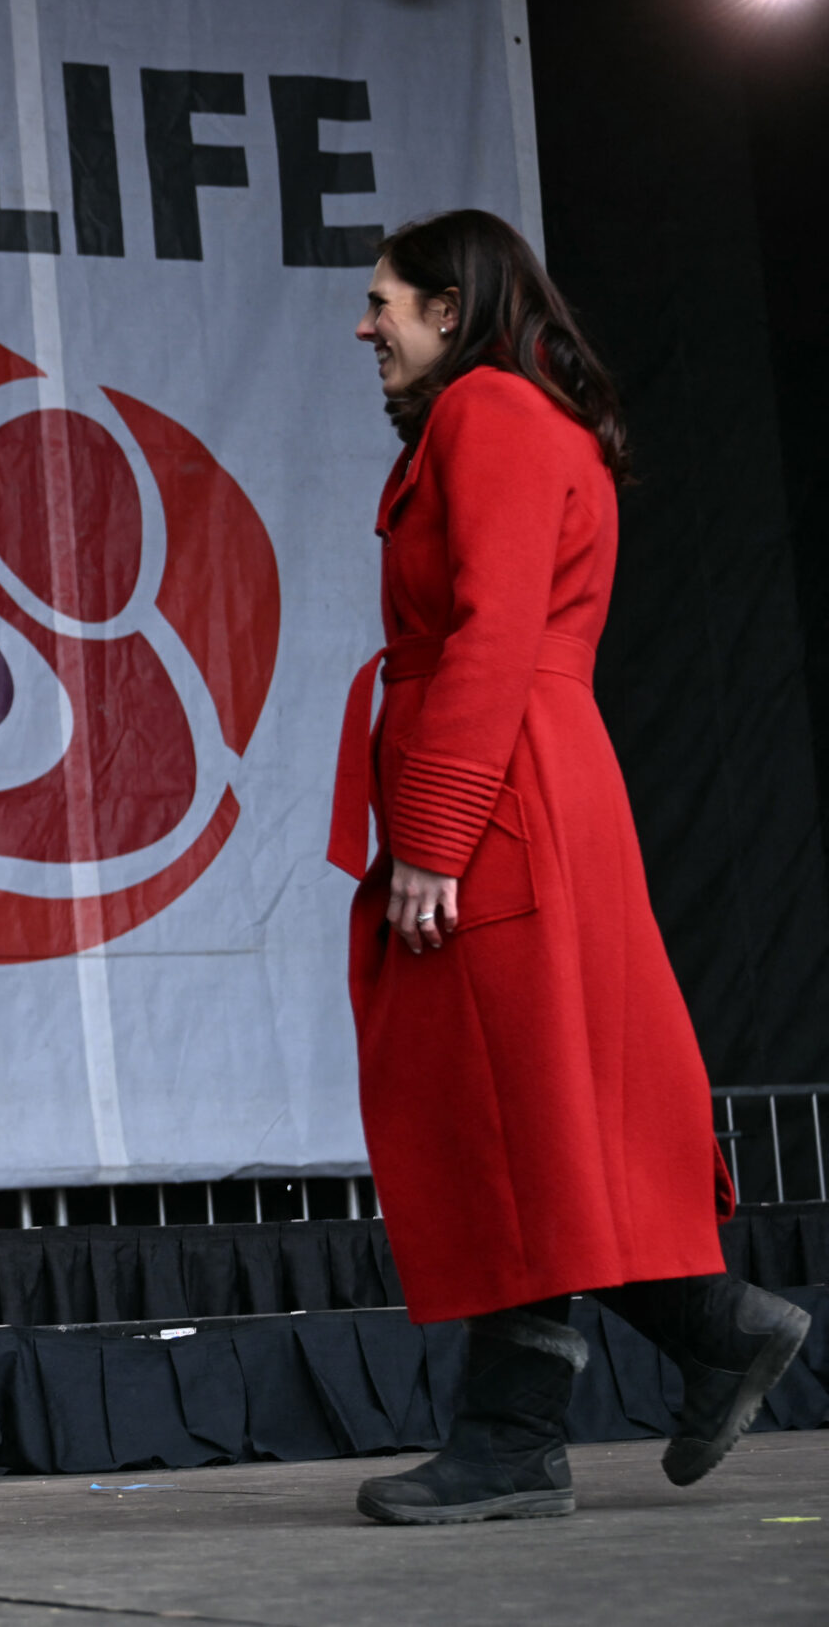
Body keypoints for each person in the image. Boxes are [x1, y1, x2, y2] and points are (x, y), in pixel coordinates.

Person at [328, 210, 811, 1526]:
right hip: (539, 776)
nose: (366, 326)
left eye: (386, 302)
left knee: (501, 1114)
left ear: (453, 305)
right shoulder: (535, 419)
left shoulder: (487, 411)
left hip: (501, 787)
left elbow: (486, 634)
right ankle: (522, 1433)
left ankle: (678, 1349)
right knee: (519, 1110)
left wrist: (433, 830)